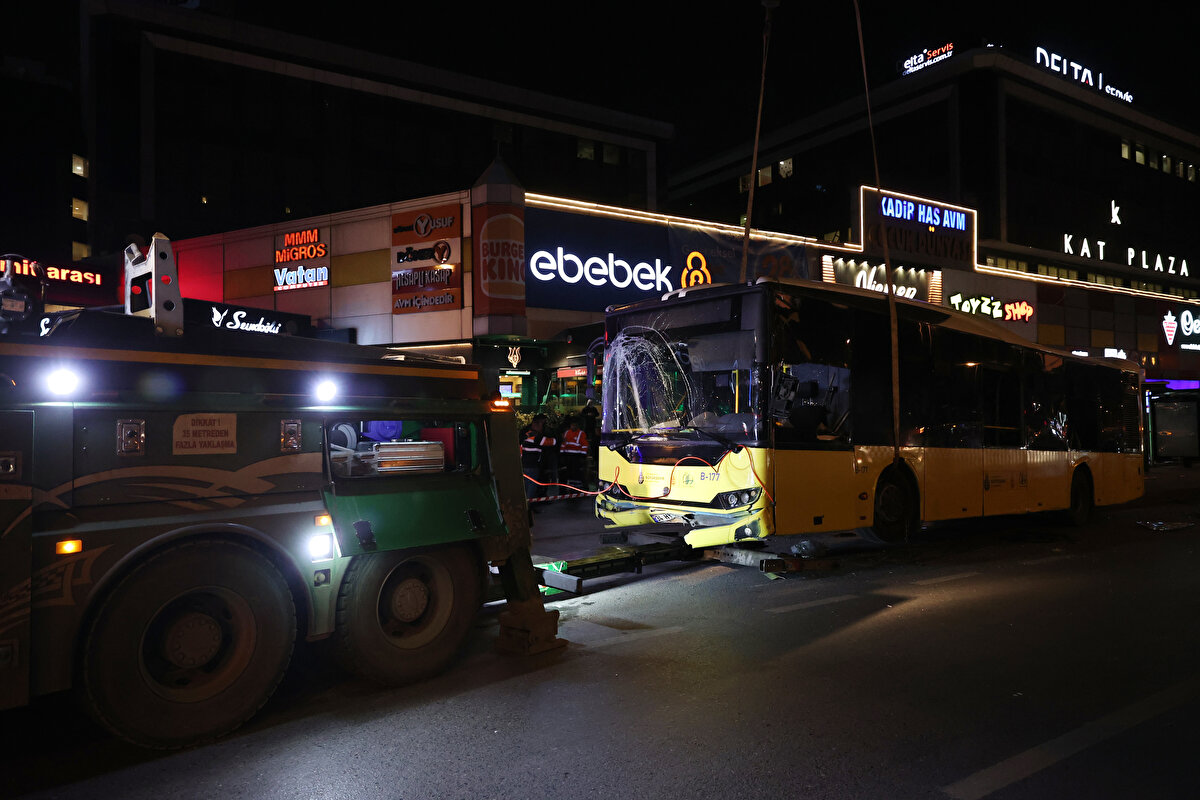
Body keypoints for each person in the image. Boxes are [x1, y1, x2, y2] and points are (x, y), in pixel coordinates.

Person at [520, 413, 556, 503]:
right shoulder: (536, 436)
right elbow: (552, 442)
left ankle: (530, 503)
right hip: (532, 465)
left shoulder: (526, 433)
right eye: (542, 424)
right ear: (537, 424)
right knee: (531, 487)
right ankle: (529, 505)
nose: (542, 427)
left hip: (526, 464)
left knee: (527, 486)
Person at [561, 416, 588, 488]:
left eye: (575, 425)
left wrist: (582, 457)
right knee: (569, 472)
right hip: (568, 456)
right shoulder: (567, 432)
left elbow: (585, 445)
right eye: (572, 425)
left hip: (577, 457)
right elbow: (564, 444)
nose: (573, 426)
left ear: (577, 425)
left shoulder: (581, 433)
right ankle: (571, 486)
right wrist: (562, 454)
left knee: (576, 472)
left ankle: (577, 487)